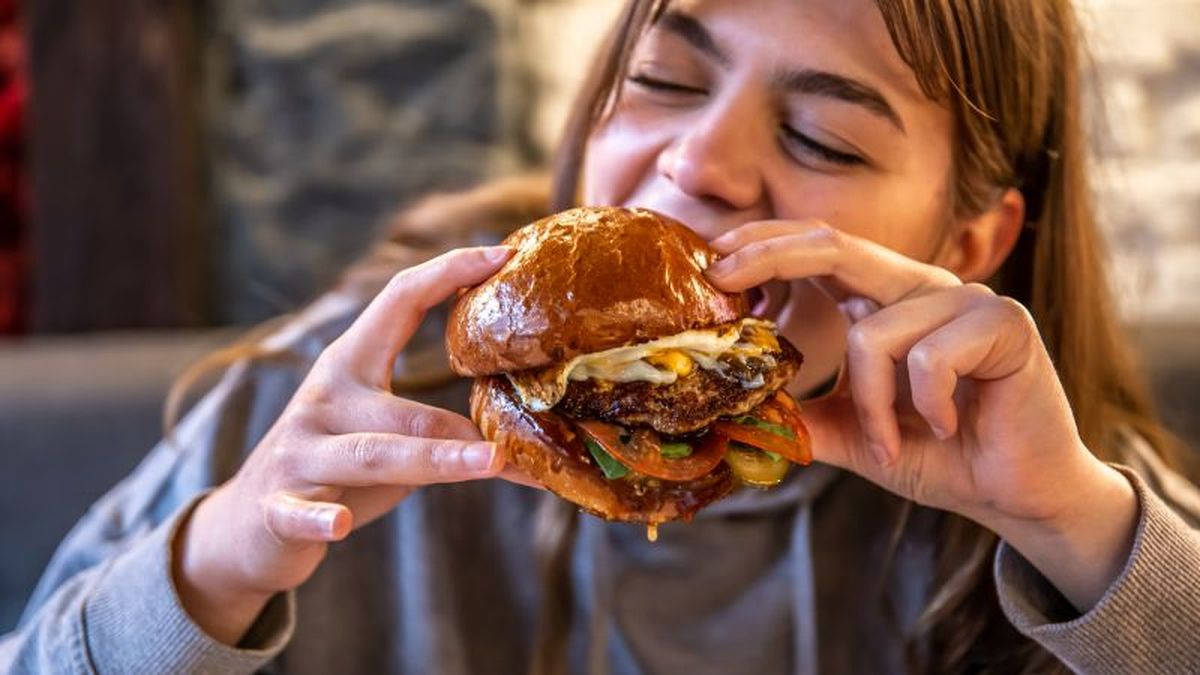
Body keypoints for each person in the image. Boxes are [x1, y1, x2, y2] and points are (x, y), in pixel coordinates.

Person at [3, 1, 1199, 673]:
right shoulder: (337, 411)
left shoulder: (1052, 497)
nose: (698, 163)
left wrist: (1074, 530)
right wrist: (214, 569)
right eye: (667, 80)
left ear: (969, 245)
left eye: (826, 142)